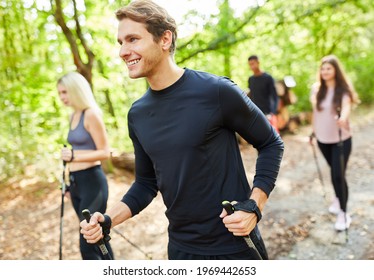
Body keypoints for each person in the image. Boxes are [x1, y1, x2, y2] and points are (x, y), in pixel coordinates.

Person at [80, 0, 284, 260]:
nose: (123, 51)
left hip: (234, 247)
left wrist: (254, 206)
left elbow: (271, 143)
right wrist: (109, 219)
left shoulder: (217, 91)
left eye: (132, 39)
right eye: (120, 42)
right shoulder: (138, 114)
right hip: (180, 250)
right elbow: (146, 183)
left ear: (165, 39)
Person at [57, 72, 114, 259]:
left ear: (76, 90)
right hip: (76, 184)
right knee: (98, 239)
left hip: (93, 183)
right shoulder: (73, 115)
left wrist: (74, 156)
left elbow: (105, 152)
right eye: (60, 93)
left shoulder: (91, 114)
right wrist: (68, 184)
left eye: (65, 92)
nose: (62, 97)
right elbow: (74, 156)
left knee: (88, 243)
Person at [309, 55, 359, 231]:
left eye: (328, 68)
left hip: (341, 139)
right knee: (334, 172)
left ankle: (344, 213)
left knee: (338, 175)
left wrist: (343, 119)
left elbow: (346, 108)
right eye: (323, 69)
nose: (325, 71)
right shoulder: (317, 90)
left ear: (336, 70)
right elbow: (316, 113)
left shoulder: (342, 90)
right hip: (323, 139)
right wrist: (313, 132)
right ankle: (339, 198)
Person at [247, 55, 279, 133]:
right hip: (255, 112)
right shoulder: (250, 79)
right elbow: (250, 95)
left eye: (253, 63)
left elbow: (274, 96)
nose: (252, 66)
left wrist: (272, 112)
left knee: (272, 136)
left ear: (258, 63)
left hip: (267, 113)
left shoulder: (268, 78)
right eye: (250, 64)